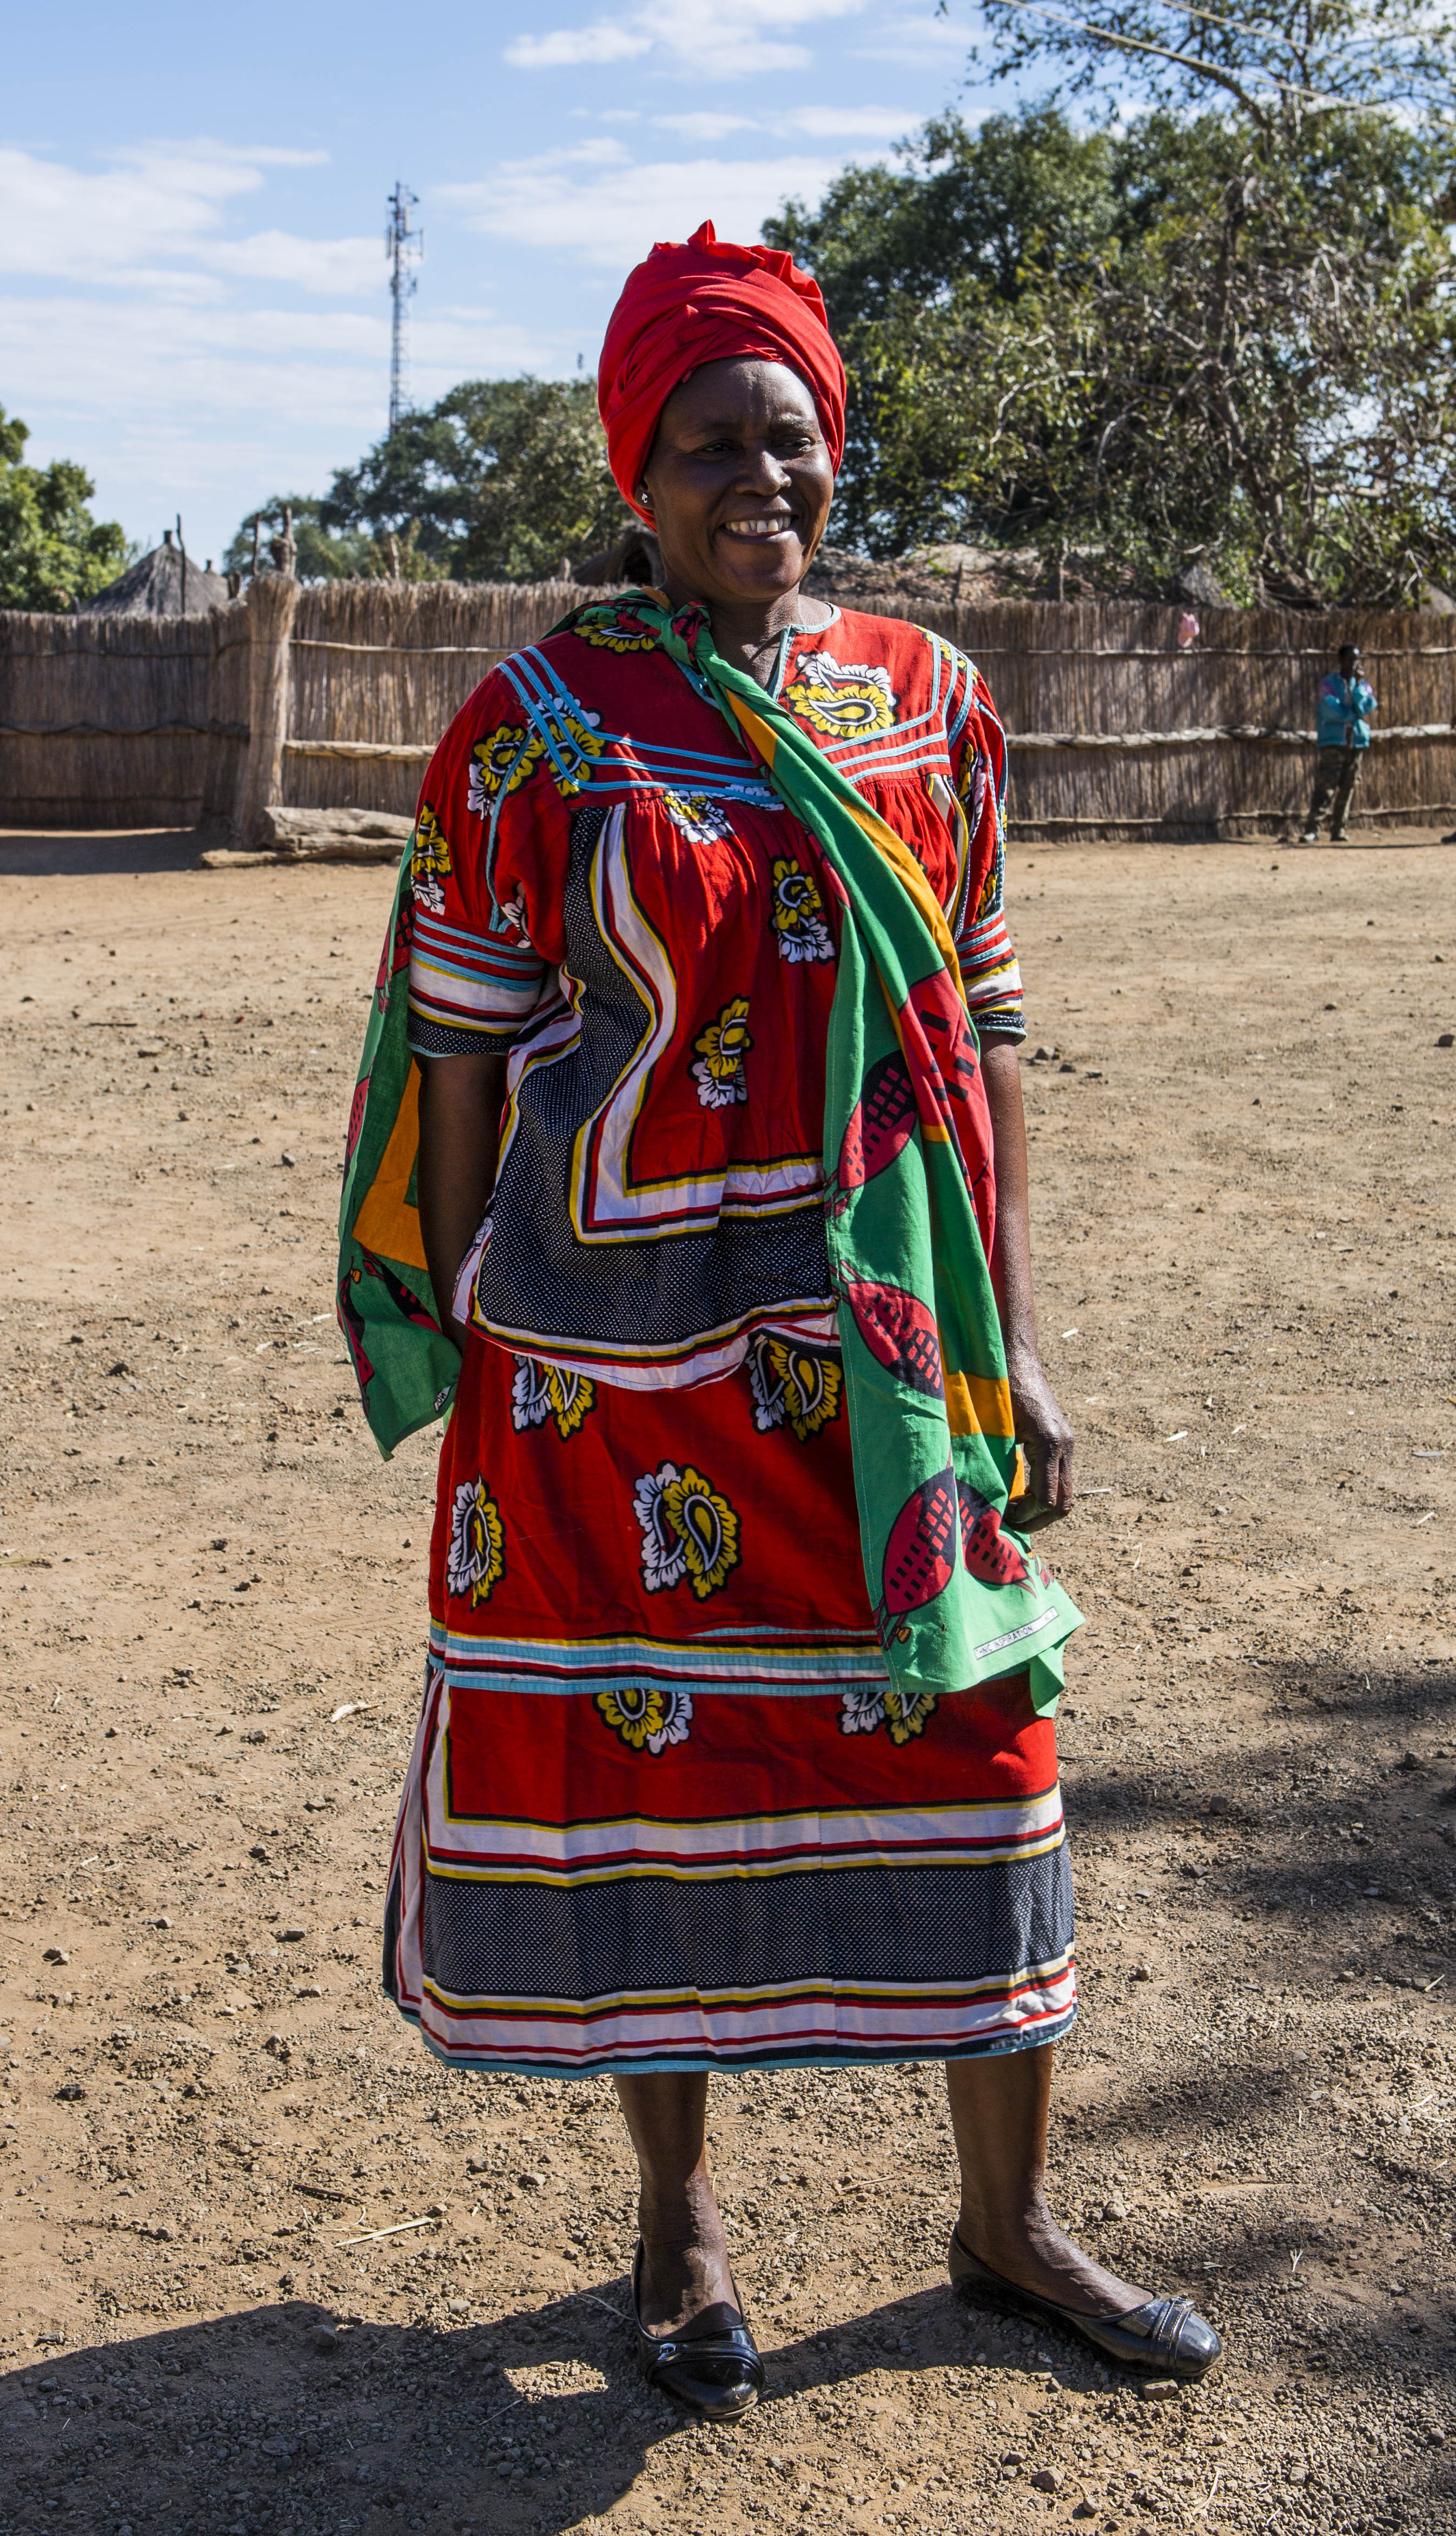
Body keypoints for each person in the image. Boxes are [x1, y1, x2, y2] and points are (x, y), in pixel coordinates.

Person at [338, 220, 1221, 2421]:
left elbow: (985, 1028)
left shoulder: (929, 706)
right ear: (635, 475)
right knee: (659, 1803)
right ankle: (680, 2224)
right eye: (714, 439)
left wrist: (1010, 1340)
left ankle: (1006, 2218)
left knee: (986, 1750)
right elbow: (458, 1052)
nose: (764, 475)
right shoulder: (535, 726)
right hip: (617, 1373)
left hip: (889, 1366)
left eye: (794, 438)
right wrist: (477, 1329)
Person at [1300, 641, 1377, 842]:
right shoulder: (1328, 684)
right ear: (1341, 659)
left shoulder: (1362, 685)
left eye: (1357, 659)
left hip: (1356, 743)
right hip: (1334, 742)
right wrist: (1353, 714)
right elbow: (1330, 710)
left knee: (1349, 787)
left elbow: (1366, 707)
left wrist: (1359, 689)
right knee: (1326, 786)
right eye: (1351, 658)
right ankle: (1313, 829)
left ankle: (1339, 830)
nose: (1354, 663)